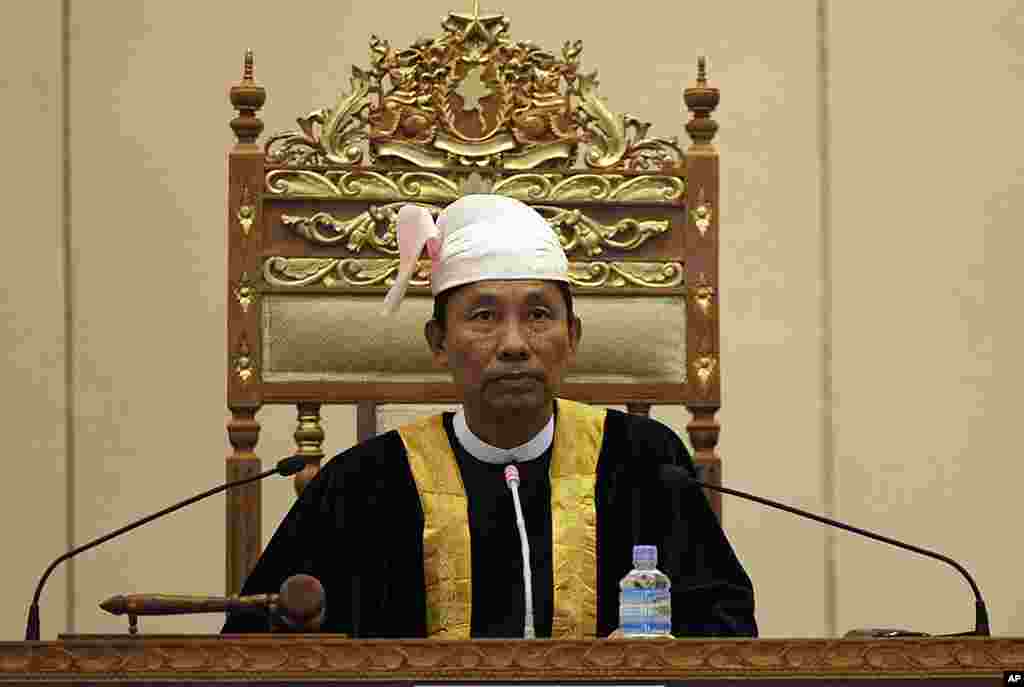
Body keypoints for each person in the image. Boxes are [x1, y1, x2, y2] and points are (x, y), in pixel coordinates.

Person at [221, 195, 756, 638]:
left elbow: (726, 629)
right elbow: (258, 644)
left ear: (572, 337)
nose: (515, 344)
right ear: (438, 342)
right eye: (483, 316)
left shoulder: (645, 463)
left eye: (539, 315)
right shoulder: (362, 484)